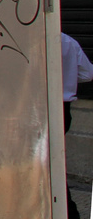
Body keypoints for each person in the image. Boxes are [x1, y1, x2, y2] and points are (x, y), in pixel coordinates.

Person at [66, 33, 93, 219]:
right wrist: (68, 80)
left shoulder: (31, 40)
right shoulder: (69, 42)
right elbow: (87, 74)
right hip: (63, 107)